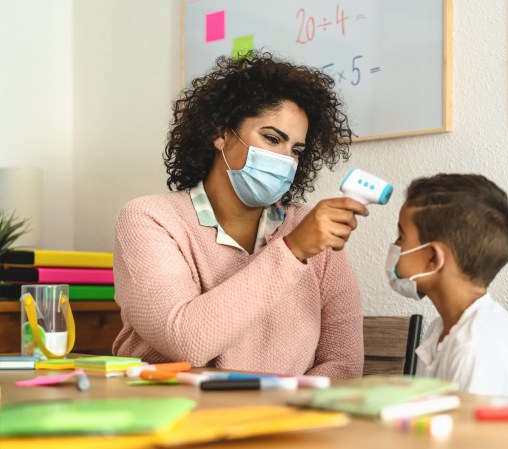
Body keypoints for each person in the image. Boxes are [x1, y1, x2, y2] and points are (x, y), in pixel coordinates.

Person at [112, 52, 367, 378]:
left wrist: (282, 413)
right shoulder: (149, 219)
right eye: (272, 138)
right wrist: (292, 250)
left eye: (296, 150)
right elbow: (185, 340)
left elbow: (344, 364)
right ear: (221, 132)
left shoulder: (312, 229)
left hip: (285, 420)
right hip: (177, 419)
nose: (286, 159)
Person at [386, 174, 508, 400]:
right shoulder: (441, 330)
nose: (395, 246)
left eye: (401, 236)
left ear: (433, 259)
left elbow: (467, 434)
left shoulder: (475, 347)